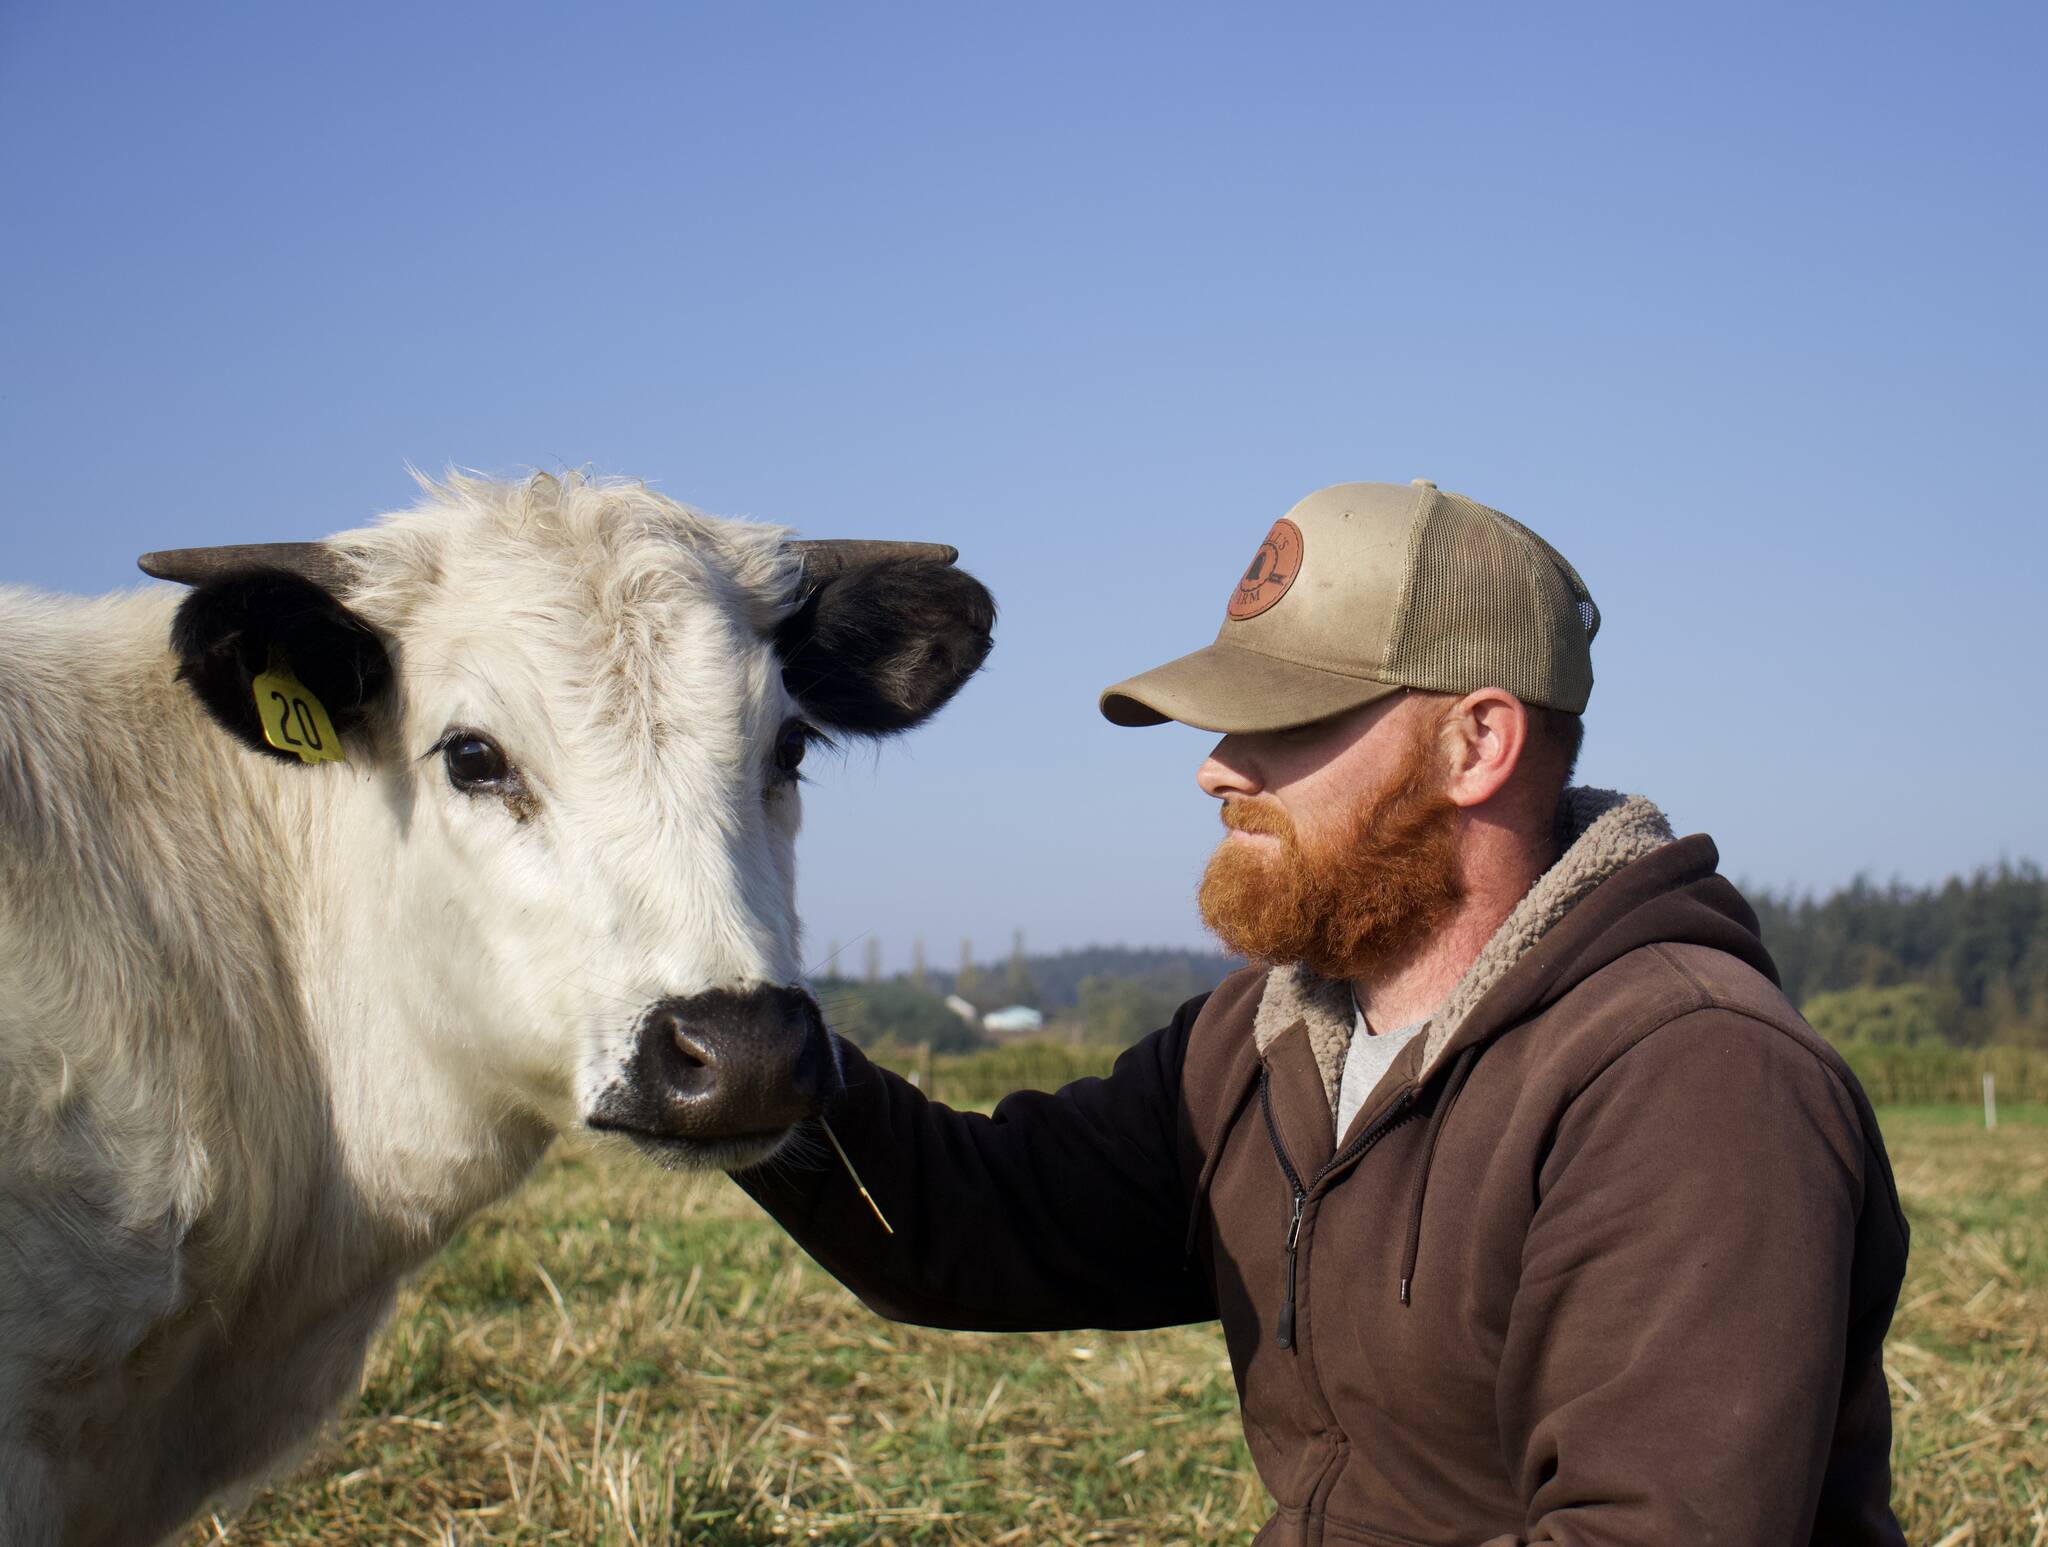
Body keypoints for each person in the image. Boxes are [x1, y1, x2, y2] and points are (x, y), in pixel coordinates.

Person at [738, 479, 1909, 1546]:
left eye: (1284, 718)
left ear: (1476, 742)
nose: (1216, 766)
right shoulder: (1265, 1040)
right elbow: (968, 1226)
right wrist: (730, 1030)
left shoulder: (1691, 1077)